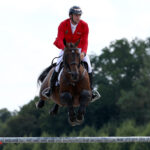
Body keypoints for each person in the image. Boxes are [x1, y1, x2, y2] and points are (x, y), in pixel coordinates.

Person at [45, 6, 99, 101]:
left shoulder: (84, 25)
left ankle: (92, 89)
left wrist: (83, 52)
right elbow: (60, 39)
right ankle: (51, 89)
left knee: (89, 66)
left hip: (78, 49)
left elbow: (85, 40)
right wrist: (65, 49)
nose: (78, 17)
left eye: (79, 15)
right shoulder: (63, 24)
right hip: (66, 48)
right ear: (71, 15)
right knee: (58, 65)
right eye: (76, 15)